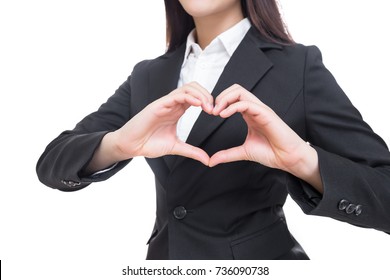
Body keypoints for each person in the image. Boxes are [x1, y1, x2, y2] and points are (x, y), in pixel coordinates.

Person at [36, 0, 390, 260]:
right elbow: (52, 163)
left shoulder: (296, 66)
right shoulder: (148, 74)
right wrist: (116, 145)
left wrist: (304, 161)